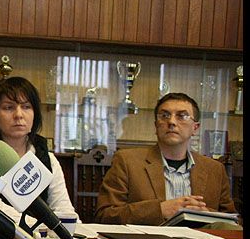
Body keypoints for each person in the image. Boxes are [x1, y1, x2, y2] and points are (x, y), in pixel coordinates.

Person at [95, 92, 236, 225]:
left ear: (195, 128)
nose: (172, 122)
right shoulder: (127, 161)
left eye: (182, 116)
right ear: (156, 125)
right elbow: (105, 215)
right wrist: (160, 210)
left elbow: (233, 222)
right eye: (164, 115)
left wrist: (205, 215)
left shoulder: (215, 169)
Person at [0, 76, 78, 227]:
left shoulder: (47, 158)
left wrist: (68, 227)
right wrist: (44, 224)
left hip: (42, 237)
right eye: (8, 107)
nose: (19, 115)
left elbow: (64, 209)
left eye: (26, 107)